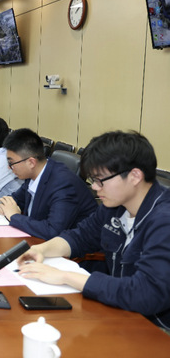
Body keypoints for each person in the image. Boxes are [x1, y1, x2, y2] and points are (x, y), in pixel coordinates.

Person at [17, 131, 170, 329]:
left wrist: (65, 276)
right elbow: (80, 236)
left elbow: (146, 293)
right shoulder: (115, 206)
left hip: (157, 328)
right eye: (93, 180)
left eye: (100, 180)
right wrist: (41, 250)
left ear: (134, 176)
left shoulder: (164, 220)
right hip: (121, 312)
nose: (95, 188)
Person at [0, 128, 97, 239]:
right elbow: (15, 199)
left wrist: (14, 216)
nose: (9, 167)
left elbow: (53, 231)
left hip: (76, 247)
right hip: (37, 240)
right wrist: (1, 203)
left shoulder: (64, 184)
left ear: (31, 162)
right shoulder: (33, 174)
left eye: (11, 163)